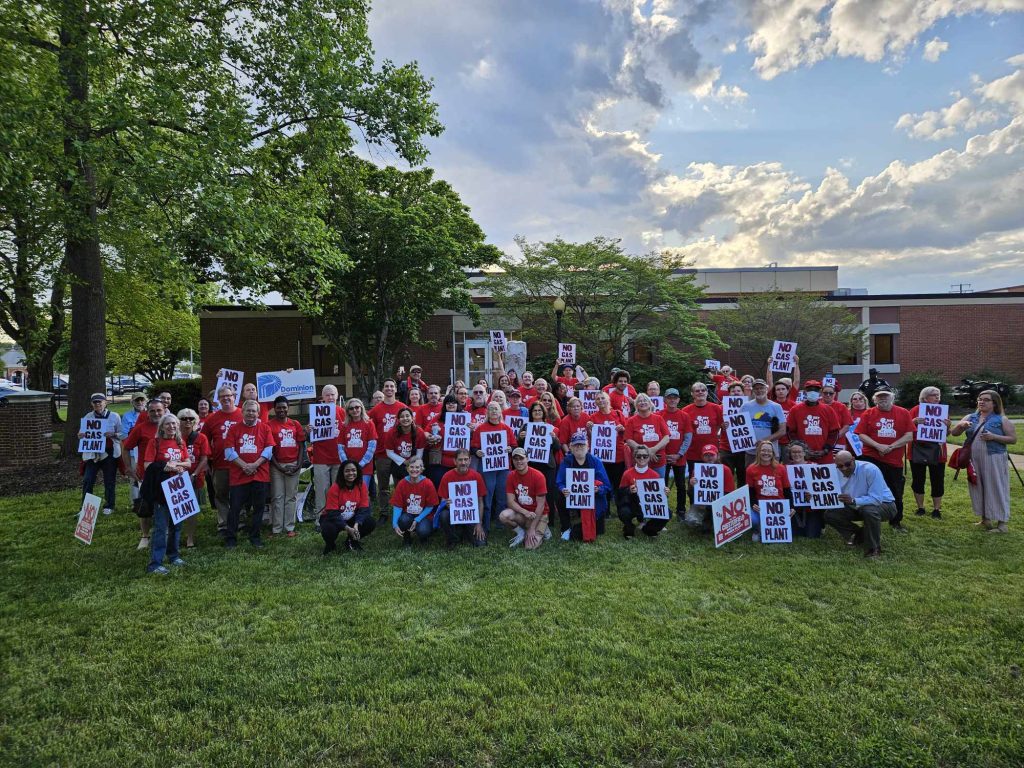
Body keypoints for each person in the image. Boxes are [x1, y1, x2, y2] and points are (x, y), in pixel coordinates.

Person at [950, 390, 1017, 532]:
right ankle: (985, 519)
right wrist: (961, 426)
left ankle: (1002, 524)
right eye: (980, 399)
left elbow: (1013, 439)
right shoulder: (971, 417)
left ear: (994, 403)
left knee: (996, 487)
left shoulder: (1001, 419)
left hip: (993, 458)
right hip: (974, 459)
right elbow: (954, 433)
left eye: (986, 399)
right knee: (978, 486)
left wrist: (994, 437)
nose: (981, 402)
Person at [854, 387, 914, 533]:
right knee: (868, 490)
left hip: (894, 461)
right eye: (879, 397)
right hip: (871, 458)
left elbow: (909, 435)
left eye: (886, 397)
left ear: (892, 398)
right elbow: (861, 434)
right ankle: (867, 519)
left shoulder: (903, 413)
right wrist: (878, 446)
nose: (883, 399)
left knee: (895, 491)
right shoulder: (868, 413)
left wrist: (891, 446)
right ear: (875, 400)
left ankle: (896, 522)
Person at [141, 414, 192, 574]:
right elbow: (148, 464)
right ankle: (155, 563)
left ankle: (173, 555)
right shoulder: (154, 442)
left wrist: (175, 464)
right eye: (168, 424)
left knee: (177, 525)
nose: (171, 426)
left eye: (174, 424)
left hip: (179, 488)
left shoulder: (180, 442)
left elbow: (188, 463)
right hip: (161, 489)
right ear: (162, 427)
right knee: (161, 527)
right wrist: (165, 466)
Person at [223, 399, 276, 548]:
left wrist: (255, 465)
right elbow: (228, 451)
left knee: (258, 508)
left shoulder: (265, 428)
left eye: (254, 411)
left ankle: (255, 537)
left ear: (258, 413)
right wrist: (244, 466)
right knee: (234, 508)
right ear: (242, 412)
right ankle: (231, 538)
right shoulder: (233, 429)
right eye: (248, 410)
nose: (251, 413)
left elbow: (269, 450)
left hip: (259, 475)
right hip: (239, 476)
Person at [828, 450, 896, 558]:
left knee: (869, 511)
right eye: (840, 466)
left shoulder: (870, 469)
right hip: (855, 505)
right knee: (830, 514)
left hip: (885, 505)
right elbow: (828, 493)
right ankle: (860, 535)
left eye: (847, 464)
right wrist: (813, 496)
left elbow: (876, 499)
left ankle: (873, 548)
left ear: (853, 459)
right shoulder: (834, 472)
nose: (844, 468)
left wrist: (854, 500)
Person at [123, 398, 167, 549]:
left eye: (159, 410)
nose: (156, 413)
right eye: (152, 411)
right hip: (146, 475)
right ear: (147, 413)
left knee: (165, 506)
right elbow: (126, 447)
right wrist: (128, 467)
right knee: (145, 507)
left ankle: (165, 532)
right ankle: (145, 536)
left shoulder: (171, 426)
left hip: (168, 475)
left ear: (164, 410)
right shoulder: (140, 428)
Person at [201, 385, 243, 536]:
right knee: (221, 495)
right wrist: (206, 460)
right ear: (218, 400)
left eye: (228, 395)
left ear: (234, 396)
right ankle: (224, 525)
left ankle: (239, 522)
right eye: (222, 396)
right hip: (220, 464)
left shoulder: (242, 414)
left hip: (241, 465)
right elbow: (204, 440)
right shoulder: (212, 419)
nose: (226, 398)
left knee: (239, 495)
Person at [555, 434, 612, 541]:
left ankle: (583, 523)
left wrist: (598, 489)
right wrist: (563, 489)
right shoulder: (567, 461)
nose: (579, 447)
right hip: (571, 496)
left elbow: (607, 486)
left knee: (599, 531)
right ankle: (566, 527)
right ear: (570, 447)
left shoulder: (596, 461)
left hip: (593, 499)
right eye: (576, 445)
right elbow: (559, 482)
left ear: (588, 446)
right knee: (559, 497)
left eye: (582, 444)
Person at [471, 401, 517, 532]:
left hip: (503, 467)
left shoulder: (506, 428)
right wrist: (477, 452)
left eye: (496, 409)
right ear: (487, 412)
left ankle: (500, 523)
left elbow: (514, 445)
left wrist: (510, 448)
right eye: (491, 409)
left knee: (502, 496)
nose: (494, 412)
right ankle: (485, 524)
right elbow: (473, 447)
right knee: (487, 496)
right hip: (487, 468)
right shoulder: (480, 428)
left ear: (500, 412)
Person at [519, 400, 563, 532]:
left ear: (543, 413)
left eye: (539, 410)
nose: (537, 412)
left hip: (548, 466)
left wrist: (554, 438)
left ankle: (549, 520)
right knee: (532, 492)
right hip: (531, 465)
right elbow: (520, 449)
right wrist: (521, 438)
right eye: (534, 410)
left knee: (548, 492)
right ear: (531, 413)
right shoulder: (525, 427)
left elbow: (557, 447)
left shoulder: (549, 427)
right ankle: (532, 518)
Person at [908, 386, 951, 519]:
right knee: (918, 479)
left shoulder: (942, 411)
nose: (937, 397)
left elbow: (947, 434)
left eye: (938, 394)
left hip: (937, 451)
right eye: (933, 395)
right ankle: (920, 507)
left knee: (937, 480)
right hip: (917, 449)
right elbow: (905, 429)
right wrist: (914, 422)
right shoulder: (915, 410)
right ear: (925, 397)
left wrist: (948, 426)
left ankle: (936, 509)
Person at [267, 396, 306, 538]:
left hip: (293, 464)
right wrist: (279, 467)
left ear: (288, 408)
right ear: (274, 408)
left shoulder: (295, 424)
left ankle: (289, 526)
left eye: (284, 407)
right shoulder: (269, 425)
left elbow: (302, 446)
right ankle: (276, 528)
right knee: (277, 497)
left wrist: (298, 465)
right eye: (279, 407)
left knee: (291, 497)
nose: (281, 410)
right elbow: (269, 450)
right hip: (276, 465)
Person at [78, 392, 122, 516]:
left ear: (105, 402)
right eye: (95, 402)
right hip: (94, 453)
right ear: (91, 404)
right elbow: (81, 433)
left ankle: (109, 505)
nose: (98, 404)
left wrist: (113, 434)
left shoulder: (114, 416)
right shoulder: (88, 417)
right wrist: (80, 435)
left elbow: (123, 434)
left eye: (100, 401)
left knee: (109, 480)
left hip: (109, 453)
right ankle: (85, 507)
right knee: (88, 479)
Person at [305, 384, 345, 521]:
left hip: (338, 457)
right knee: (322, 490)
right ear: (323, 397)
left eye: (333, 394)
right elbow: (309, 438)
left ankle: (337, 516)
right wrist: (308, 431)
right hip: (321, 457)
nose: (330, 397)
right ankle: (320, 518)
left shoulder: (342, 412)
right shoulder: (316, 412)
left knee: (337, 488)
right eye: (327, 395)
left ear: (337, 395)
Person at [320, 460, 376, 554]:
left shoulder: (362, 486)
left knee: (370, 522)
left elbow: (364, 508)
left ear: (357, 472)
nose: (351, 473)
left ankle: (351, 541)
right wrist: (347, 528)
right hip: (334, 517)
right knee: (328, 530)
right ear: (342, 473)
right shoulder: (335, 488)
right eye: (347, 471)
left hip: (352, 517)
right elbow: (332, 512)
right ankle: (330, 544)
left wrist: (356, 524)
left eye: (353, 470)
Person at [499, 448, 550, 549]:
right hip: (523, 513)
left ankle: (543, 528)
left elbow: (541, 505)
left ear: (527, 459)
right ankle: (521, 532)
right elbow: (510, 501)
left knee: (530, 547)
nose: (519, 461)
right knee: (503, 516)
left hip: (539, 514)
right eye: (516, 459)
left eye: (521, 458)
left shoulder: (538, 476)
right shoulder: (511, 476)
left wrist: (531, 529)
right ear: (512, 461)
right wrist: (524, 512)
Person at [681, 382, 724, 505]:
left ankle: (713, 509)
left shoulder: (717, 408)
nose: (700, 392)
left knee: (713, 483)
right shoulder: (685, 411)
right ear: (692, 394)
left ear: (706, 392)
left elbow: (723, 426)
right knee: (694, 482)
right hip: (693, 453)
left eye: (703, 390)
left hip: (712, 452)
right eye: (697, 390)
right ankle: (695, 509)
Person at [436, 449, 487, 547]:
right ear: (454, 461)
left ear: (470, 460)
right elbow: (442, 501)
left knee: (481, 544)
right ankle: (452, 539)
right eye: (460, 460)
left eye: (465, 459)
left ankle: (464, 532)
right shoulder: (447, 476)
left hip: (471, 515)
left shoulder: (476, 476)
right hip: (454, 514)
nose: (463, 463)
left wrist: (479, 524)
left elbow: (480, 502)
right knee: (444, 515)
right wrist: (446, 504)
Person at [369, 379, 406, 515]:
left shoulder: (402, 407)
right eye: (386, 386)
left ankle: (401, 510)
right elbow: (365, 422)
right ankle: (384, 512)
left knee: (400, 485)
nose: (389, 388)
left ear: (395, 389)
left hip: (399, 453)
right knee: (383, 486)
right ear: (383, 390)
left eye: (392, 386)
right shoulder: (376, 410)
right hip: (382, 453)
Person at [177, 408, 210, 549]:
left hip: (194, 477)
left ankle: (190, 538)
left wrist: (194, 474)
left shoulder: (201, 438)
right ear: (179, 421)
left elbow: (204, 459)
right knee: (176, 509)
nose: (188, 421)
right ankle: (174, 535)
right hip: (176, 478)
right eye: (184, 418)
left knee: (191, 509)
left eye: (191, 419)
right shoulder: (174, 437)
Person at [616, 445, 667, 539]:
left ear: (649, 457)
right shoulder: (627, 473)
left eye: (645, 456)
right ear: (634, 457)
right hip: (632, 504)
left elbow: (659, 498)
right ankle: (629, 527)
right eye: (638, 456)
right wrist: (629, 490)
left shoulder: (655, 475)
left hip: (648, 505)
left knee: (667, 512)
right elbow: (620, 493)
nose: (642, 458)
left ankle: (649, 528)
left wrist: (664, 493)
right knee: (624, 511)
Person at [746, 440, 791, 544]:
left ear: (773, 453)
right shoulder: (751, 469)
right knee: (753, 519)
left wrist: (791, 507)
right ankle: (758, 529)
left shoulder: (781, 468)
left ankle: (769, 531)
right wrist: (754, 504)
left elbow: (787, 490)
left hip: (778, 507)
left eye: (769, 451)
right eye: (763, 450)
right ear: (758, 452)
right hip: (761, 506)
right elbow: (750, 491)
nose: (766, 453)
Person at [683, 444, 735, 533]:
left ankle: (714, 519)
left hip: (720, 504)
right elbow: (691, 494)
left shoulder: (725, 470)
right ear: (702, 457)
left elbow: (729, 493)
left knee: (716, 527)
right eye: (706, 455)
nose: (709, 458)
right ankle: (706, 519)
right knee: (691, 522)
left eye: (712, 455)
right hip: (703, 505)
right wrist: (692, 485)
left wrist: (710, 505)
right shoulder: (698, 470)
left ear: (717, 456)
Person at [786, 380, 840, 464]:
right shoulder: (795, 410)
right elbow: (791, 433)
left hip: (824, 456)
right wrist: (804, 450)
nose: (813, 392)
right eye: (810, 390)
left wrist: (825, 450)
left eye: (815, 390)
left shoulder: (828, 410)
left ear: (820, 392)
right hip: (802, 457)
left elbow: (834, 433)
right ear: (805, 392)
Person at [390, 457, 438, 546]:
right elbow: (397, 505)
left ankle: (423, 538)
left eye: (417, 467)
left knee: (423, 530)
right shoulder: (402, 483)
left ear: (422, 469)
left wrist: (417, 519)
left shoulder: (428, 483)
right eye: (411, 467)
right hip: (408, 514)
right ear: (407, 469)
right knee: (403, 520)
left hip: (424, 515)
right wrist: (394, 523)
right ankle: (407, 538)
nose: (414, 470)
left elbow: (430, 506)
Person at [662, 388, 694, 520]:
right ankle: (661, 508)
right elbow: (656, 437)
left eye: (675, 397)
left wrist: (679, 454)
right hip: (662, 457)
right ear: (665, 399)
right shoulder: (659, 415)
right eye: (670, 397)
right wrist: (664, 454)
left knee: (680, 485)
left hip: (679, 457)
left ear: (678, 400)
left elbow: (688, 438)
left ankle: (681, 510)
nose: (672, 400)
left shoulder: (684, 416)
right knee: (661, 484)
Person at [587, 390, 627, 493]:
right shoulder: (593, 417)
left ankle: (620, 507)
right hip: (602, 457)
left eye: (603, 398)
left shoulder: (618, 414)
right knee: (604, 484)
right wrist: (590, 430)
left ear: (608, 399)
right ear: (595, 402)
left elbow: (627, 433)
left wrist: (622, 429)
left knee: (619, 485)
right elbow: (593, 439)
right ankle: (606, 508)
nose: (600, 400)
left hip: (618, 456)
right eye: (598, 399)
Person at [739, 378, 786, 465]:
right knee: (751, 476)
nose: (759, 390)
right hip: (751, 452)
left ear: (767, 389)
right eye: (756, 388)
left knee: (771, 477)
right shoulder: (745, 406)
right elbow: (738, 425)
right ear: (753, 390)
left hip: (770, 451)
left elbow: (782, 431)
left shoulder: (776, 407)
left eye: (762, 388)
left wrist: (764, 441)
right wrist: (727, 425)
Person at [625, 394, 670, 478]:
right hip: (640, 460)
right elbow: (629, 440)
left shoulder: (659, 418)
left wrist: (653, 449)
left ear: (650, 404)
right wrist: (645, 451)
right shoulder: (631, 421)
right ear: (636, 405)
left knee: (658, 486)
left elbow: (666, 438)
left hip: (657, 459)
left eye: (645, 400)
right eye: (639, 401)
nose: (642, 402)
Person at [785, 441, 822, 538]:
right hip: (794, 507)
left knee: (812, 535)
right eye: (794, 452)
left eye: (799, 452)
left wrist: (813, 494)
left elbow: (821, 489)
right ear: (790, 454)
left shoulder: (814, 466)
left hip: (811, 507)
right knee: (796, 534)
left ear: (804, 453)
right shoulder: (785, 468)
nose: (797, 454)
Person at [338, 398, 377, 489]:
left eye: (357, 407)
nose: (354, 410)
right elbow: (340, 447)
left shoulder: (369, 424)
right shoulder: (344, 425)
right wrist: (347, 464)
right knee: (350, 493)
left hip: (365, 467)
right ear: (348, 411)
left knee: (362, 492)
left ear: (361, 408)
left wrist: (360, 464)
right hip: (348, 468)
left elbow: (372, 447)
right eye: (351, 408)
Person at [120, 393, 148, 515]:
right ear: (132, 402)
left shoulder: (150, 414)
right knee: (135, 478)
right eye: (137, 400)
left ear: (146, 401)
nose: (139, 402)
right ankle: (136, 503)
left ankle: (148, 500)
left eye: (142, 400)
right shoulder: (127, 416)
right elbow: (123, 435)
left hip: (147, 452)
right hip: (133, 452)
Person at [425, 394, 460, 488]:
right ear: (444, 405)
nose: (451, 405)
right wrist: (430, 437)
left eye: (453, 403)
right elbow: (426, 432)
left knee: (456, 488)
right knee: (439, 486)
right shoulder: (438, 417)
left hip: (459, 461)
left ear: (458, 404)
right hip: (440, 461)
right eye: (448, 403)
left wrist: (472, 429)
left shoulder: (464, 417)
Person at [820, 381, 853, 447]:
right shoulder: (815, 404)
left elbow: (846, 427)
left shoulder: (841, 406)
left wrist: (833, 439)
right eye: (825, 393)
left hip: (838, 442)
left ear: (834, 394)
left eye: (831, 393)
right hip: (819, 441)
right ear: (821, 393)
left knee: (838, 457)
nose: (828, 395)